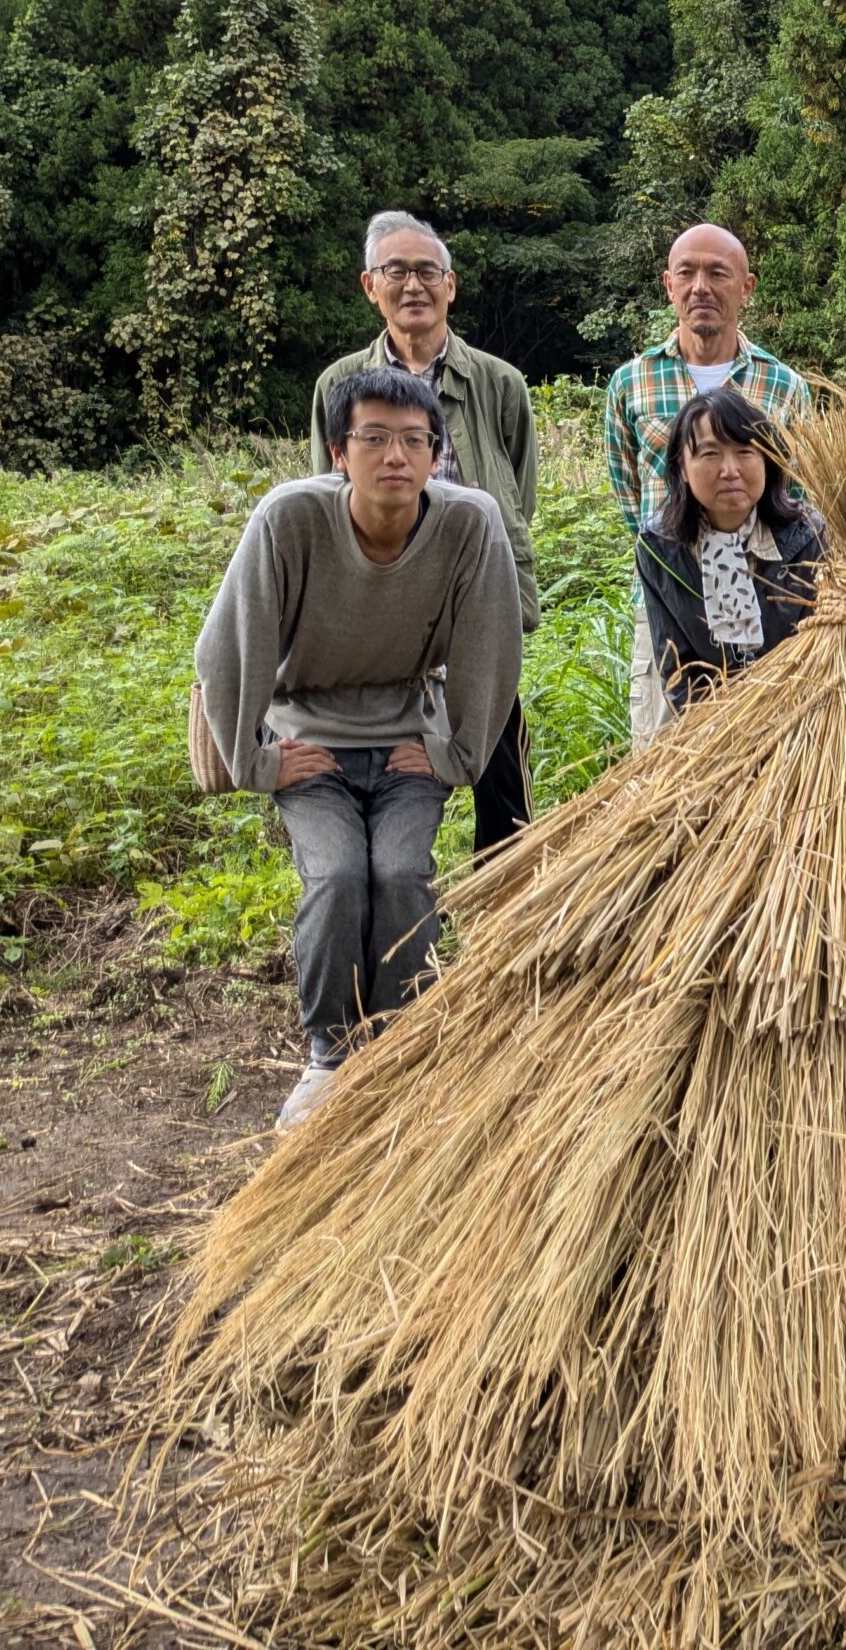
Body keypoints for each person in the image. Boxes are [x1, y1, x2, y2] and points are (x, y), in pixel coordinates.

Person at [196, 369, 522, 1131]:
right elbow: (227, 650)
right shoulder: (290, 520)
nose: (395, 457)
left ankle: (394, 1051)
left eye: (415, 441)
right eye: (373, 439)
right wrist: (256, 760)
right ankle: (331, 1057)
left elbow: (491, 648)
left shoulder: (469, 524)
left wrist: (456, 755)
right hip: (311, 745)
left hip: (408, 742)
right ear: (339, 452)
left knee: (402, 873)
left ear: (438, 455)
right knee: (340, 875)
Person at [309, 210, 540, 856]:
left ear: (451, 285)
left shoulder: (499, 383)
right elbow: (326, 496)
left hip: (476, 599)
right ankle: (397, 891)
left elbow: (516, 494)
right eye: (396, 271)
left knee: (499, 766)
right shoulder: (339, 385)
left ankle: (507, 901)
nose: (413, 285)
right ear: (369, 286)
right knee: (387, 757)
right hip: (376, 601)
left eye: (427, 272)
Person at [605, 223, 811, 747]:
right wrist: (674, 545)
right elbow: (629, 494)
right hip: (669, 601)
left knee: (775, 752)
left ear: (746, 287)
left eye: (718, 273)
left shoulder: (784, 386)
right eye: (687, 273)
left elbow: (801, 492)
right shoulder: (630, 383)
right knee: (668, 759)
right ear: (668, 285)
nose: (701, 286)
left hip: (774, 605)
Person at [637, 388, 824, 716]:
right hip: (711, 725)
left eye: (744, 451)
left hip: (800, 714)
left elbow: (823, 649)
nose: (730, 470)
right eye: (710, 454)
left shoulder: (809, 535)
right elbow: (678, 670)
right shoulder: (659, 549)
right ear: (682, 467)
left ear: (767, 459)